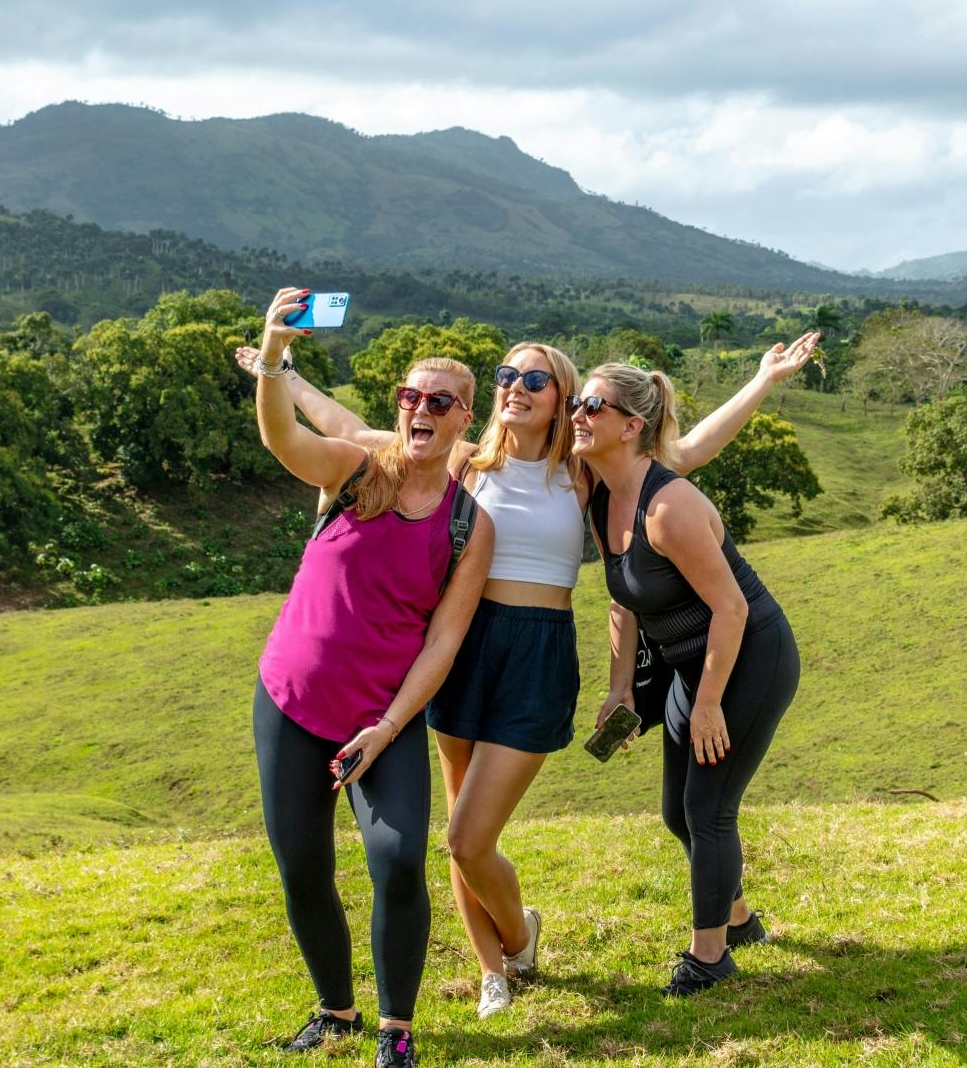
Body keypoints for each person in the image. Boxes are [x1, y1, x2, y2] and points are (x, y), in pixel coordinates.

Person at [243, 329, 818, 1016]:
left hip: (537, 652)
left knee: (473, 834)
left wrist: (762, 379)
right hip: (465, 646)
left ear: (562, 400)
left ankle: (527, 933)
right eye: (505, 374)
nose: (515, 385)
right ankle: (496, 967)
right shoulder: (464, 459)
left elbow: (686, 451)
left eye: (535, 379)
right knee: (458, 829)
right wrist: (283, 374)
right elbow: (355, 430)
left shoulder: (579, 473)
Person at [250, 286, 495, 1068]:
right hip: (290, 702)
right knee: (303, 864)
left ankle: (395, 1025)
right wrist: (275, 356)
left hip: (380, 723)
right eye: (410, 396)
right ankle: (335, 1011)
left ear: (465, 418)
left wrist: (387, 729)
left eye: (440, 401)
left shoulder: (468, 522)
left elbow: (447, 637)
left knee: (395, 860)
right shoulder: (356, 469)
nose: (421, 409)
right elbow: (285, 436)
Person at [573, 362, 801, 996]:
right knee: (678, 812)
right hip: (689, 665)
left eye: (592, 406)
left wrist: (706, 706)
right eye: (577, 404)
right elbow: (622, 600)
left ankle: (709, 958)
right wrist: (621, 689)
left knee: (708, 810)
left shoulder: (669, 506)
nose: (578, 417)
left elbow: (731, 609)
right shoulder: (600, 494)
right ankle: (738, 919)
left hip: (749, 657)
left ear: (631, 425)